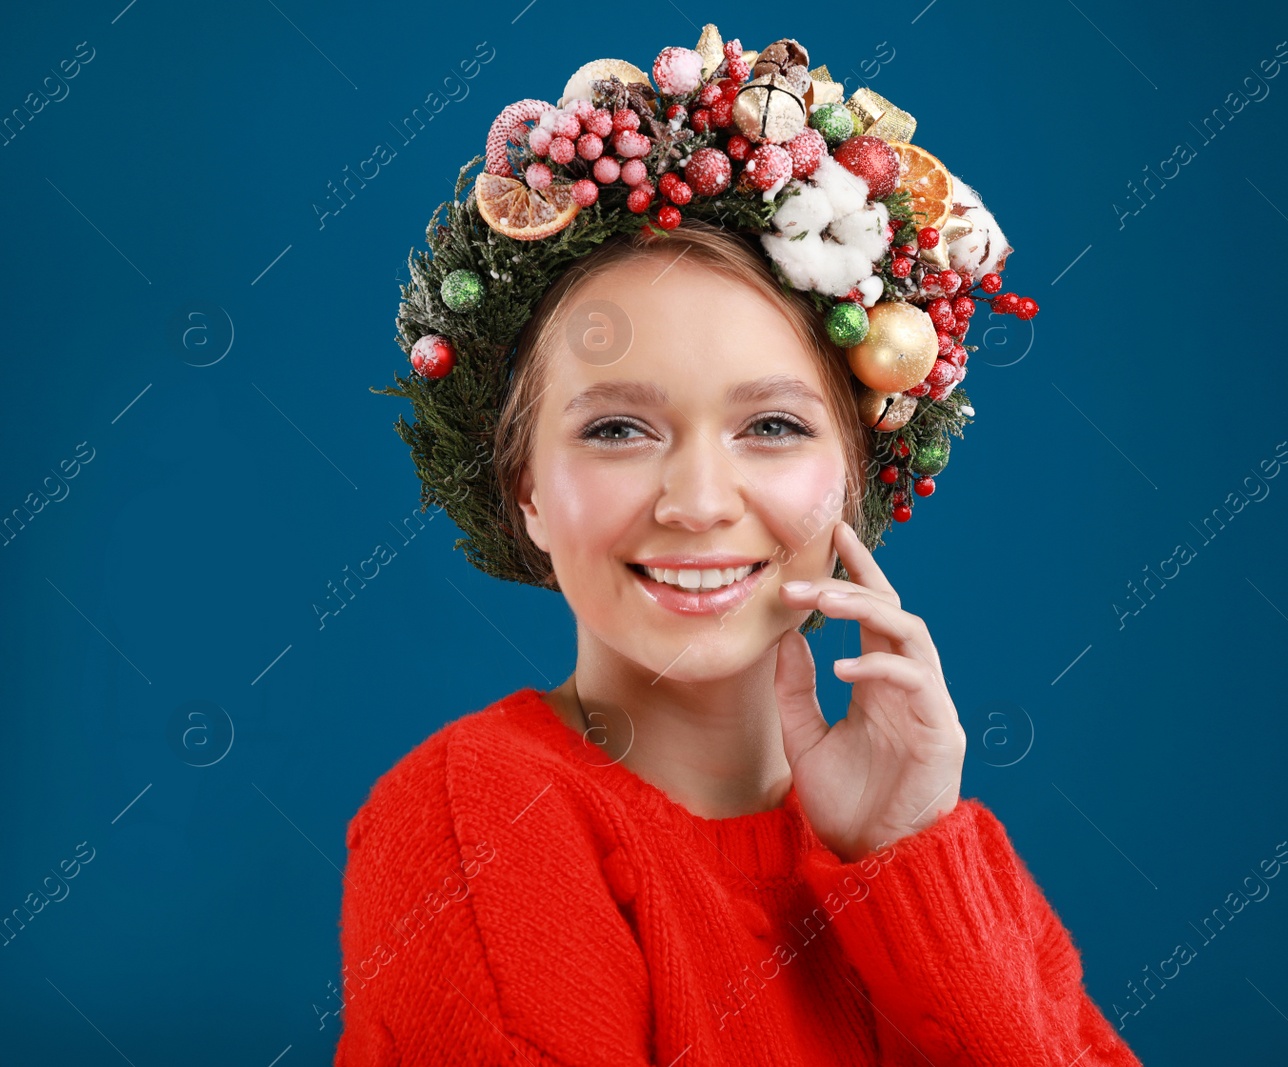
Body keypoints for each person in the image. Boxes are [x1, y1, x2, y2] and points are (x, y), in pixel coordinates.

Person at [337, 25, 1140, 1067]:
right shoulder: (475, 817)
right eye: (617, 429)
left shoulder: (940, 847)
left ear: (855, 473)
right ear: (525, 484)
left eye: (771, 426)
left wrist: (904, 855)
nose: (700, 502)